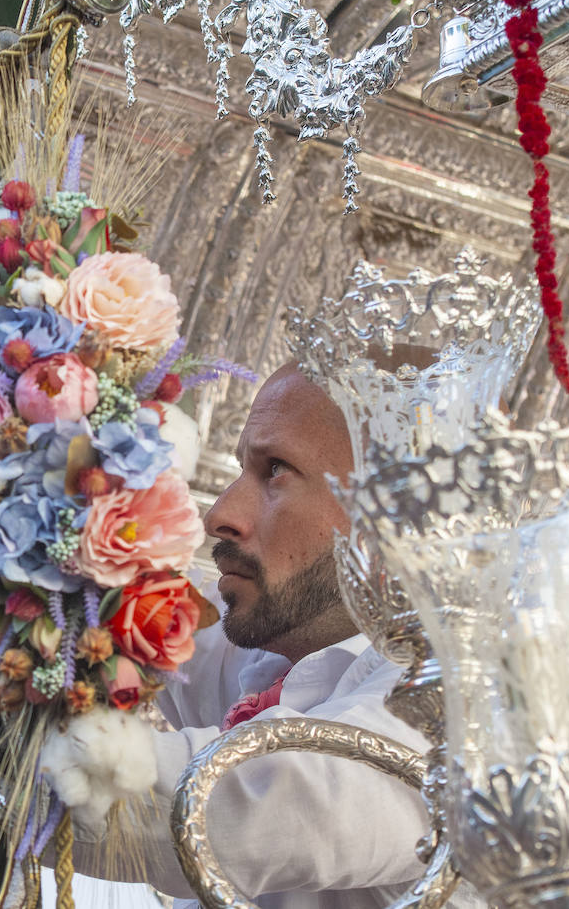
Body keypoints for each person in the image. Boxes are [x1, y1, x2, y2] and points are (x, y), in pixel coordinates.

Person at [41, 363, 470, 909]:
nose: (220, 514)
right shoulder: (289, 646)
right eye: (244, 467)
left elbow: (225, 812)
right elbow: (142, 612)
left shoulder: (460, 703)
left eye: (276, 471)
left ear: (396, 516)